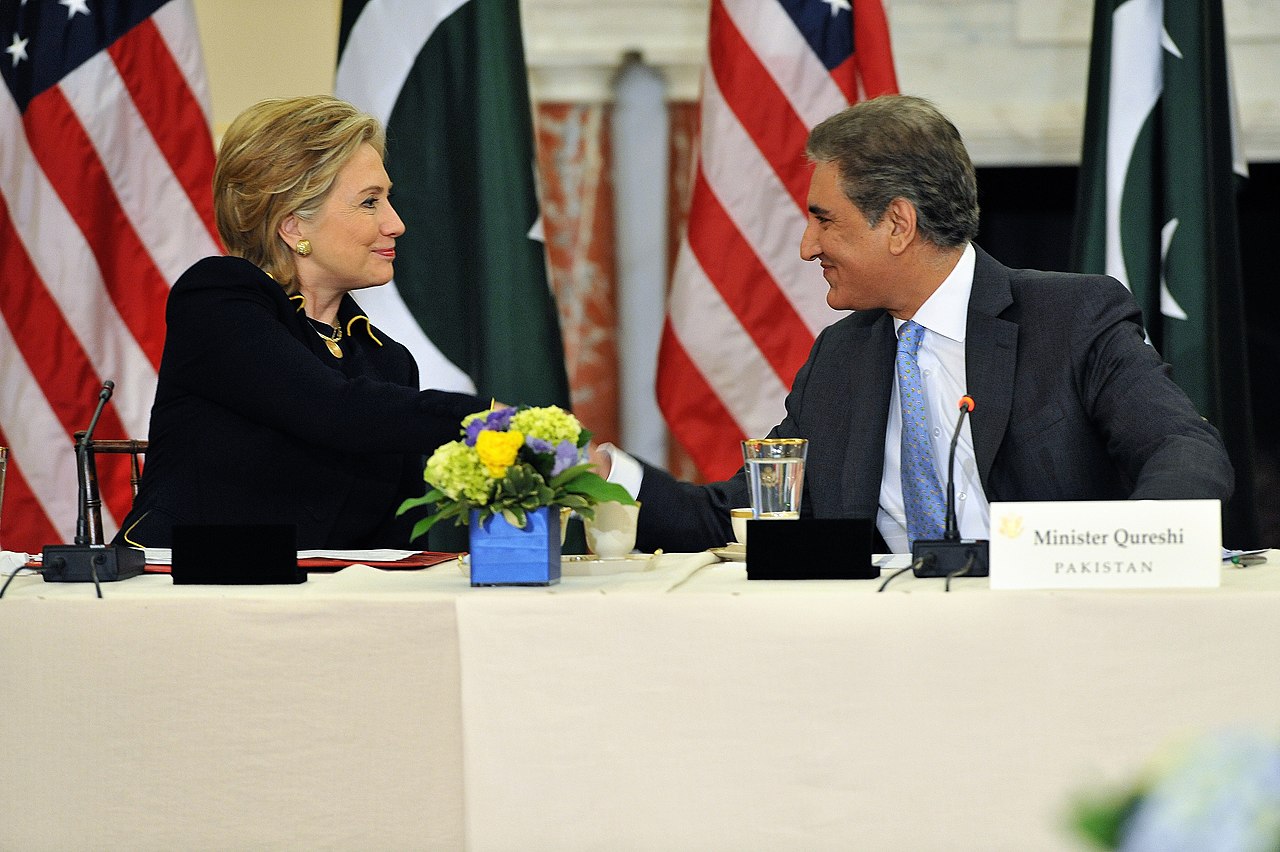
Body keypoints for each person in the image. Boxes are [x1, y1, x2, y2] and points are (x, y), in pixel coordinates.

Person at [599, 94, 1233, 554]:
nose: (806, 246)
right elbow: (740, 515)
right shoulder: (841, 359)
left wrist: (1123, 556)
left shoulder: (1071, 319)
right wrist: (606, 475)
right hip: (885, 648)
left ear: (898, 224)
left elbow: (1184, 450)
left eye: (825, 220)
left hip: (1051, 632)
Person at [116, 96, 485, 549]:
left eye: (388, 199)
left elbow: (398, 543)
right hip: (183, 598)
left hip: (323, 610)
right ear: (293, 227)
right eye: (370, 202)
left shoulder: (387, 361)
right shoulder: (218, 300)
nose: (396, 223)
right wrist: (490, 420)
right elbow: (334, 411)